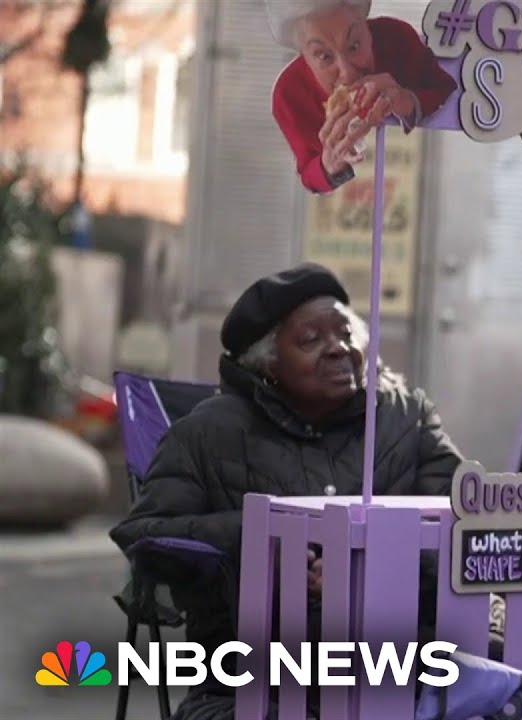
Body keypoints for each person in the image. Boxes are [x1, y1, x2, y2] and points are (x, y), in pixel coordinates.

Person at [109, 263, 463, 718]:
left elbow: (468, 524)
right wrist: (262, 548)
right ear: (267, 364)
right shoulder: (205, 434)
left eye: (346, 332)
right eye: (312, 340)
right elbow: (144, 534)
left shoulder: (404, 418)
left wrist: (373, 568)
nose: (340, 349)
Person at [267, 0, 458, 194]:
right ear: (303, 55)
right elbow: (309, 175)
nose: (347, 74)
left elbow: (448, 91)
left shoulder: (397, 37)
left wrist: (407, 100)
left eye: (354, 46)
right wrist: (329, 164)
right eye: (324, 57)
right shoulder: (289, 96)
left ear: (366, 26)